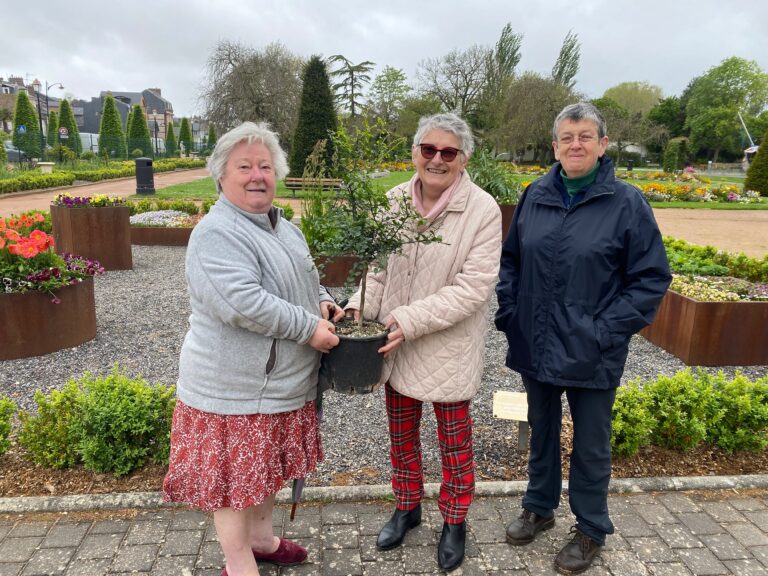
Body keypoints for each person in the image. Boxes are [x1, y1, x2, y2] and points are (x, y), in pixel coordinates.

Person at [495, 102, 671, 575]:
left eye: (585, 136)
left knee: (592, 443)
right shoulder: (536, 195)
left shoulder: (627, 203)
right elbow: (511, 261)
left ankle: (591, 528)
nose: (576, 144)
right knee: (542, 431)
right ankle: (539, 506)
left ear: (602, 144)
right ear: (554, 146)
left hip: (593, 350)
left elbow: (651, 278)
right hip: (535, 340)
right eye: (567, 137)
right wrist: (511, 312)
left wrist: (604, 331)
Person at [162, 121, 344, 576]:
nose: (256, 175)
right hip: (234, 389)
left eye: (265, 165)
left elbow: (302, 276)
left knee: (262, 470)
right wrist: (309, 328)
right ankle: (238, 561)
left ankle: (262, 540)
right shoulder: (216, 233)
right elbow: (242, 303)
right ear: (221, 176)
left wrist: (321, 298)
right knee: (231, 483)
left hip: (278, 383)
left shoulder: (283, 226)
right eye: (244, 166)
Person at [345, 112, 502, 571]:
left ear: (463, 158)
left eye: (448, 152)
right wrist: (358, 309)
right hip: (395, 342)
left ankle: (455, 521)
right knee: (402, 435)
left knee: (454, 442)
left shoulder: (482, 210)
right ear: (414, 153)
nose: (437, 159)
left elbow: (473, 288)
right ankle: (407, 506)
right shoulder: (393, 202)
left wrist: (405, 320)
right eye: (428, 150)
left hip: (444, 347)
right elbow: (377, 270)